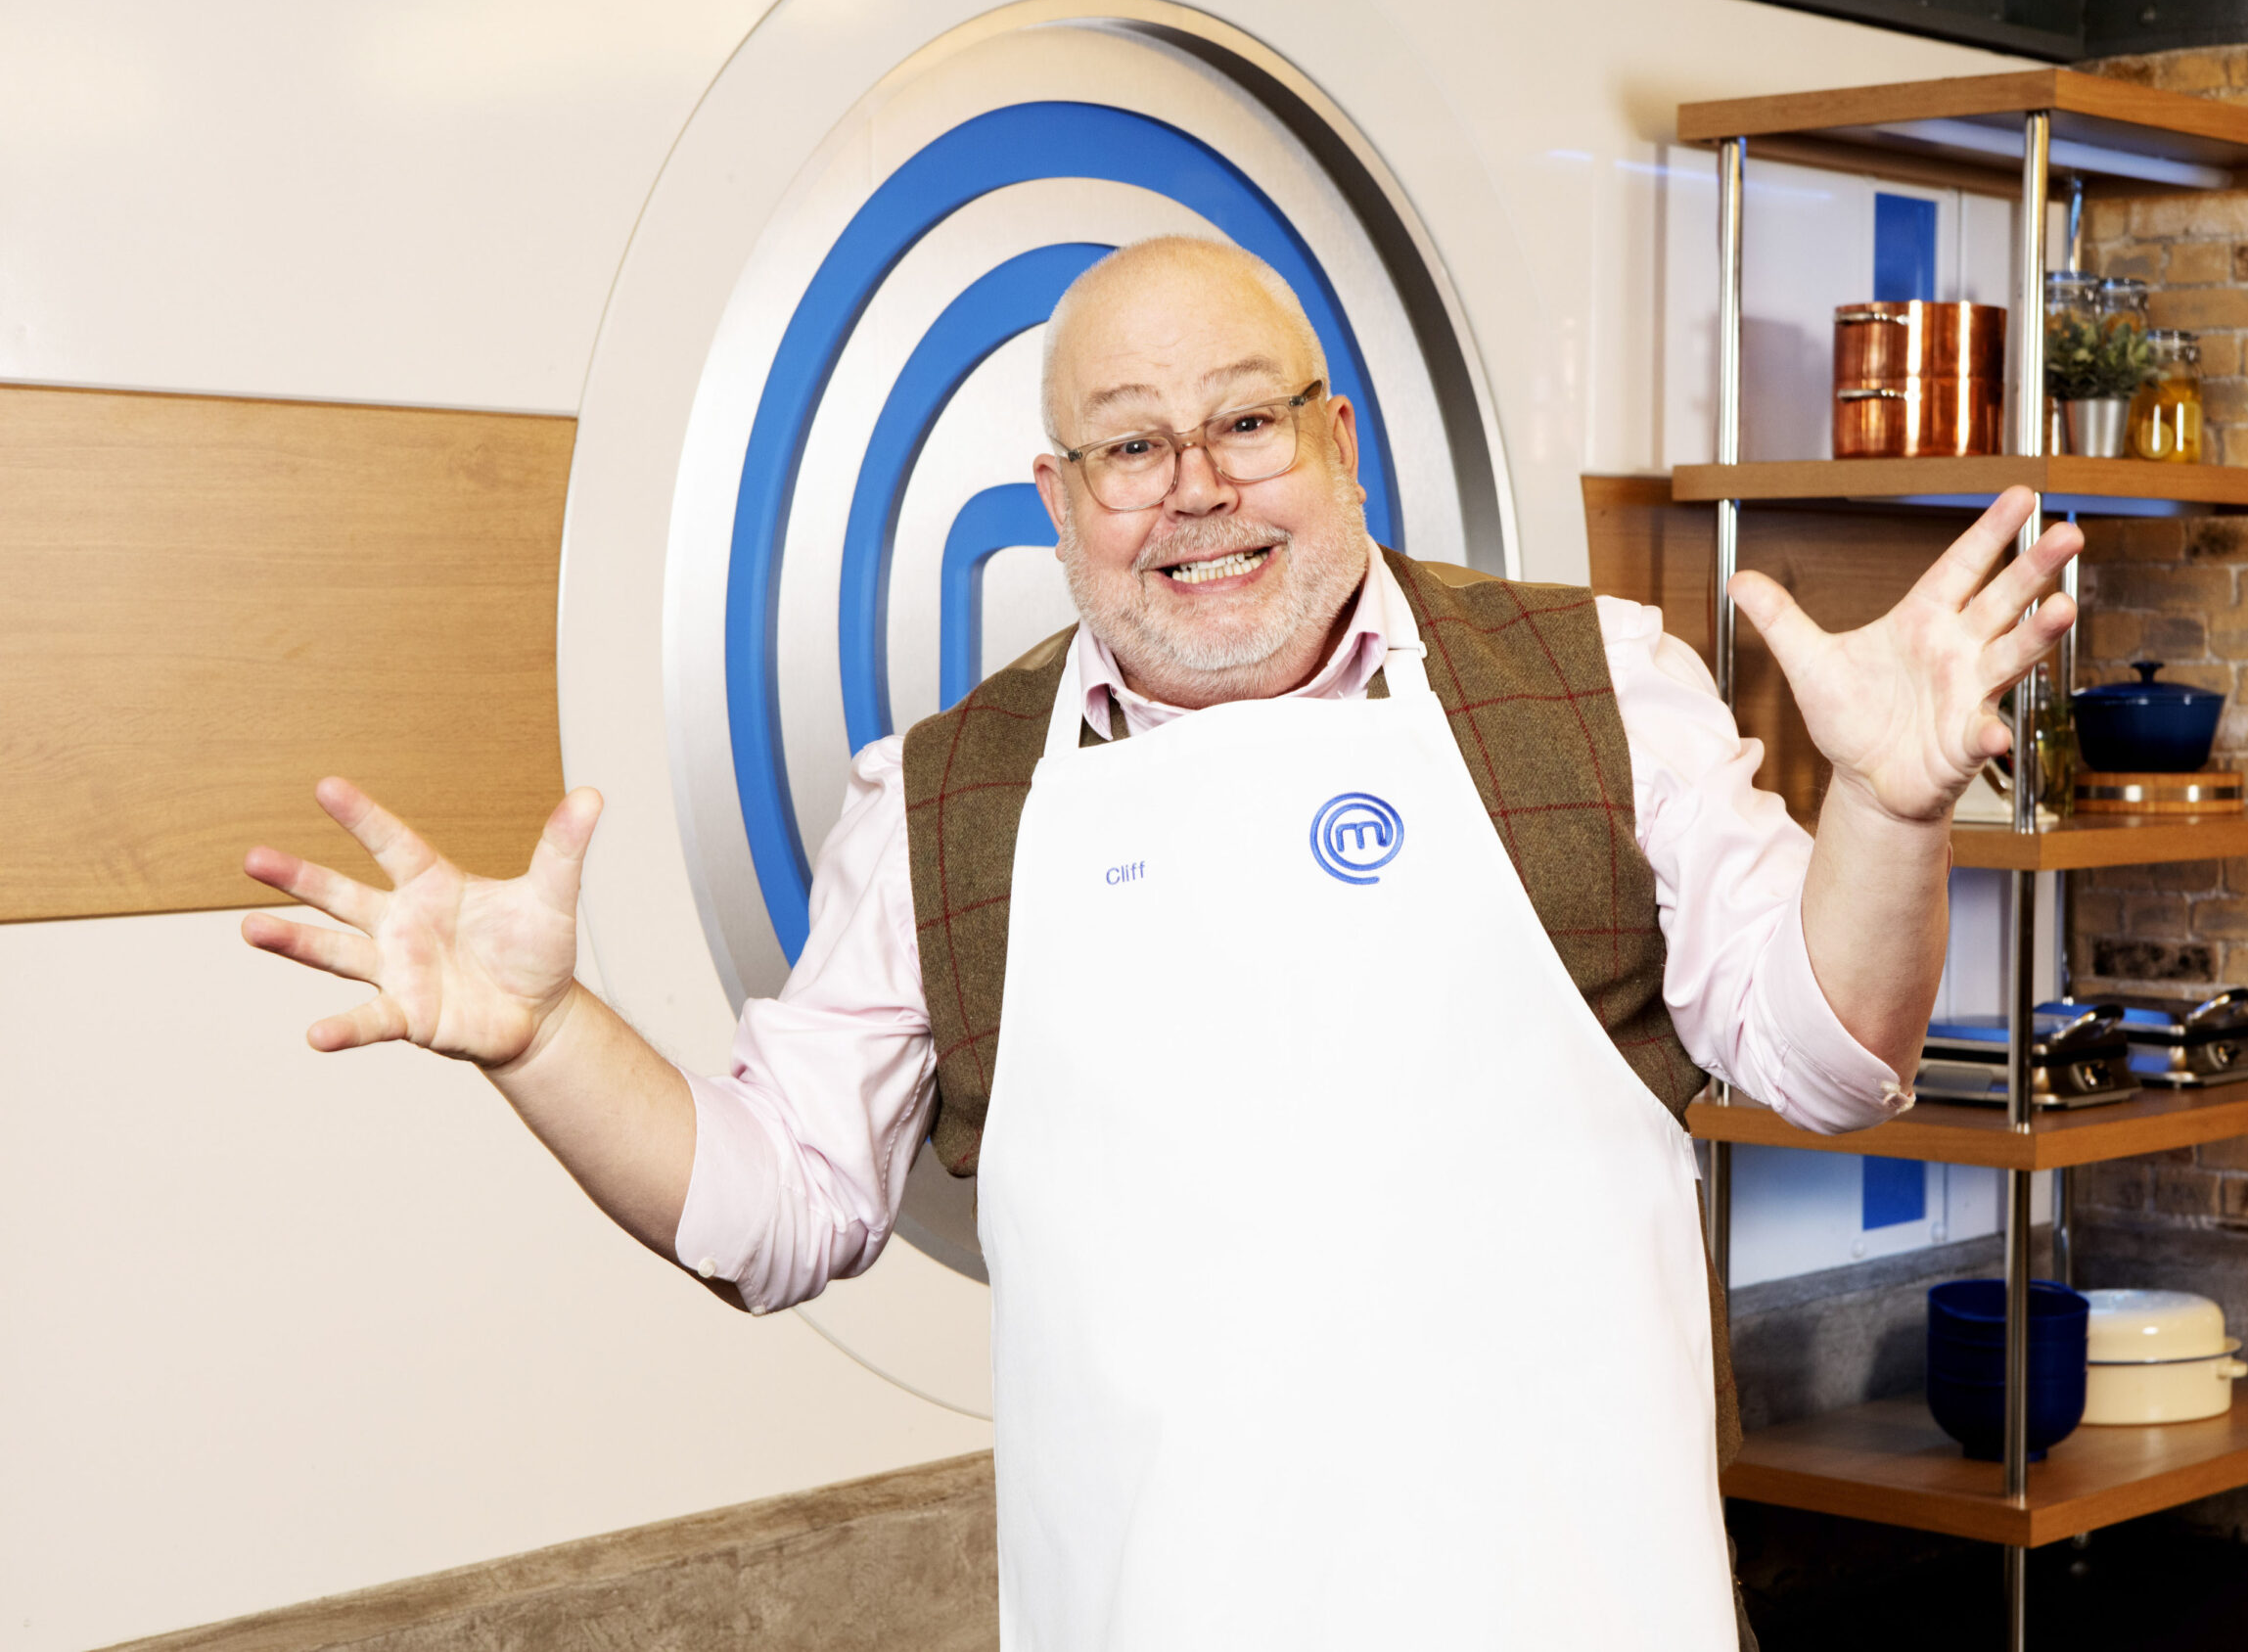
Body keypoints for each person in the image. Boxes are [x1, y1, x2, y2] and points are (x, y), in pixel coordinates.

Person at [243, 235, 2080, 1650]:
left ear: (1336, 439)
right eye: (1129, 447)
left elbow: (1826, 1056)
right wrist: (544, 1037)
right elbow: (772, 1212)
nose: (1195, 486)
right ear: (1059, 504)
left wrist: (1891, 810)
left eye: (1245, 419)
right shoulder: (947, 797)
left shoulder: (1598, 689)